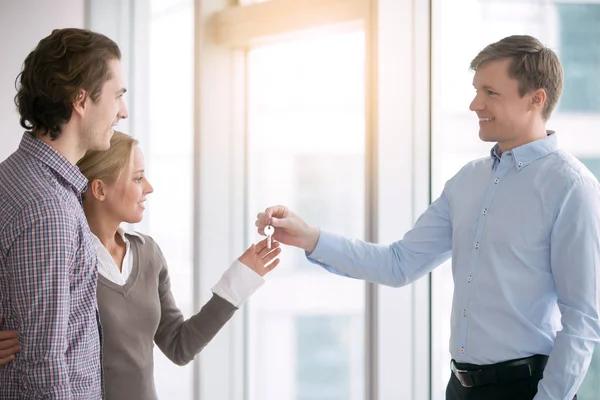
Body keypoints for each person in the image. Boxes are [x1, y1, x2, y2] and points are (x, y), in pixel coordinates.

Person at [255, 35, 600, 400]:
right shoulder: (468, 180)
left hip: (526, 390)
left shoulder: (571, 187)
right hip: (459, 388)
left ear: (536, 98)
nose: (474, 104)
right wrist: (309, 236)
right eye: (475, 90)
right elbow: (398, 263)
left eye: (490, 92)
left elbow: (582, 319)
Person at [1, 131, 282, 400]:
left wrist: (241, 278)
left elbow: (179, 346)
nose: (149, 187)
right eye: (138, 178)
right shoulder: (63, 255)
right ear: (99, 189)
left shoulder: (148, 253)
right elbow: (39, 341)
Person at [0, 27, 128, 398]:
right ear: (81, 100)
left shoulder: (14, 176)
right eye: (117, 96)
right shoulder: (49, 209)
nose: (123, 111)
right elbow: (46, 368)